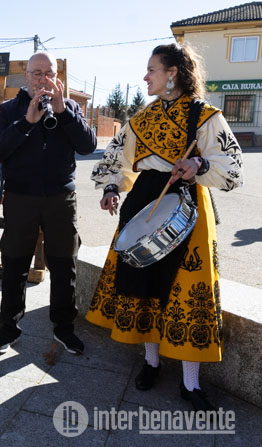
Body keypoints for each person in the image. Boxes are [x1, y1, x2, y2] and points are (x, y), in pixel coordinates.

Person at [87, 43, 243, 411]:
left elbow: (233, 166)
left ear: (172, 73)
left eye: (152, 69)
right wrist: (111, 188)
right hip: (144, 202)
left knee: (186, 293)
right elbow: (117, 158)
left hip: (187, 205)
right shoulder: (141, 119)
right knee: (144, 286)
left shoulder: (205, 116)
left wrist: (199, 165)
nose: (145, 77)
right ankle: (151, 362)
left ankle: (191, 383)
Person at [0, 51, 96, 355]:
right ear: (26, 76)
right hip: (21, 198)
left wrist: (64, 112)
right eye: (37, 73)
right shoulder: (9, 109)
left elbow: (88, 146)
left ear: (57, 77)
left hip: (61, 198)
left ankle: (64, 328)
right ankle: (8, 329)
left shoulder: (70, 106)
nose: (43, 79)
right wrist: (25, 123)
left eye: (49, 73)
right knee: (15, 264)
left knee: (64, 265)